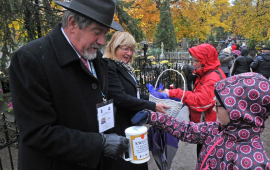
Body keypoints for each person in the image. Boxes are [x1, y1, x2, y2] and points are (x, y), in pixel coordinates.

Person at [9, 1, 130, 170]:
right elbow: (37, 133)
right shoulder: (31, 59)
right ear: (73, 23)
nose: (103, 41)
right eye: (97, 32)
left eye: (106, 33)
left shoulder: (95, 58)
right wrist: (98, 144)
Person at [132, 72, 270, 170]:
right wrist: (153, 116)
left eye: (218, 105)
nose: (214, 110)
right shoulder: (217, 129)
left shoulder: (251, 162)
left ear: (239, 112)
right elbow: (186, 130)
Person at [103, 31, 168, 170]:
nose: (129, 53)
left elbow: (134, 94)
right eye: (125, 49)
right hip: (120, 127)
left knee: (138, 161)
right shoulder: (109, 66)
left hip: (131, 124)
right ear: (113, 46)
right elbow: (120, 98)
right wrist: (153, 105)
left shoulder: (124, 67)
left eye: (132, 49)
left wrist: (154, 97)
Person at [163, 43, 226, 157]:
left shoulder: (212, 77)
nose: (194, 64)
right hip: (208, 127)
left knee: (206, 159)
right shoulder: (207, 74)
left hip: (210, 130)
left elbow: (200, 101)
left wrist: (175, 93)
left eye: (197, 61)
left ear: (206, 60)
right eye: (193, 60)